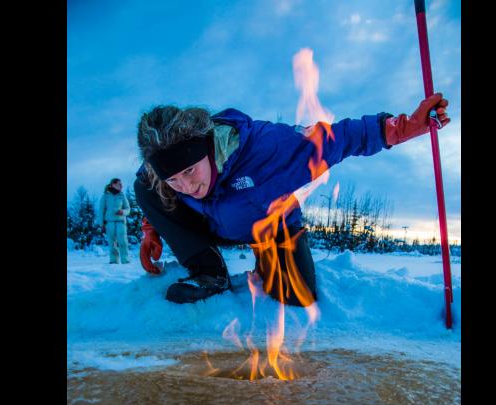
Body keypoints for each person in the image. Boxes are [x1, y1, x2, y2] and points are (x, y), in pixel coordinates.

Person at [134, 94, 450, 304]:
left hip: (272, 227)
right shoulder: (159, 173)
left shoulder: (270, 150)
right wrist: (153, 229)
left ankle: (273, 261)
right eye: (174, 179)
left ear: (205, 147)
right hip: (214, 224)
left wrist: (404, 128)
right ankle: (210, 273)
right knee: (145, 187)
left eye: (190, 171)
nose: (186, 186)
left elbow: (340, 137)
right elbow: (157, 192)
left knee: (296, 297)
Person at [96, 178, 131, 264]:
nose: (121, 186)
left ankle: (125, 260)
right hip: (109, 223)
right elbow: (101, 211)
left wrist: (122, 212)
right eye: (119, 184)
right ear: (113, 185)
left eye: (121, 184)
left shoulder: (122, 196)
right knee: (112, 243)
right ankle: (113, 261)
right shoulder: (105, 196)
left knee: (123, 242)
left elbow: (128, 209)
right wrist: (101, 224)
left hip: (121, 223)